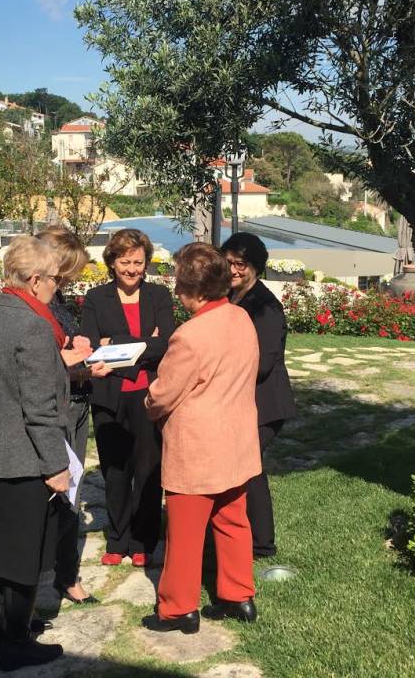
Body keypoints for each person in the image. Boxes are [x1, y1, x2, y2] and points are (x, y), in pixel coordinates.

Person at [0, 235, 93, 671]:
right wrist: (56, 466)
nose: (58, 287)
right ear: (35, 280)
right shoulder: (34, 327)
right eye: (55, 280)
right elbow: (38, 408)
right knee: (21, 554)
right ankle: (16, 641)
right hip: (23, 457)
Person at [142, 242, 262, 634]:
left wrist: (149, 398)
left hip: (197, 446)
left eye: (179, 285)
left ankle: (178, 609)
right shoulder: (242, 318)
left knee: (185, 534)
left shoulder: (189, 335)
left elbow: (164, 393)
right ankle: (239, 596)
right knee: (233, 521)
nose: (177, 292)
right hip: (237, 439)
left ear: (193, 291)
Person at [79, 228, 176, 567]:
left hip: (149, 395)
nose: (133, 269)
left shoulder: (159, 296)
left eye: (138, 262)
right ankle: (117, 539)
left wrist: (115, 345)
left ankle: (143, 540)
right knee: (115, 472)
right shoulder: (95, 298)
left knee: (148, 471)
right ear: (112, 262)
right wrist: (142, 343)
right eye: (125, 262)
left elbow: (168, 343)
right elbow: (90, 345)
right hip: (109, 396)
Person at [36, 226, 112, 605]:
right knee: (58, 492)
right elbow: (40, 368)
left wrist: (84, 353)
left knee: (73, 491)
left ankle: (65, 573)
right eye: (68, 271)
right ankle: (49, 573)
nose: (72, 278)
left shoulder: (58, 300)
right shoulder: (34, 307)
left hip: (78, 402)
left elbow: (62, 352)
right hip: (59, 407)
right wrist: (81, 364)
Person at [220, 233, 297, 558]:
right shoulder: (230, 297)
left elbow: (264, 363)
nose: (234, 270)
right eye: (229, 263)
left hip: (265, 404)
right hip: (241, 401)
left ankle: (262, 543)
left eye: (241, 264)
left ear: (255, 267)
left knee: (249, 468)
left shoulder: (265, 307)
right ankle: (245, 535)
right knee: (244, 468)